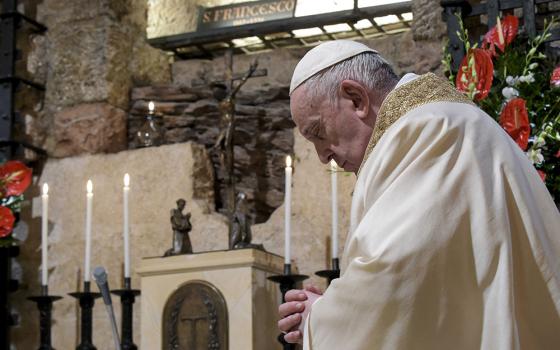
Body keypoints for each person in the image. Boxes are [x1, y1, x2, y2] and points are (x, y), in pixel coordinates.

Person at [278, 40, 560, 349]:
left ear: (356, 98)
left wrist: (321, 320)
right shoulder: (443, 121)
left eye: (319, 133)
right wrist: (336, 304)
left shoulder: (430, 133)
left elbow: (395, 279)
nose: (322, 156)